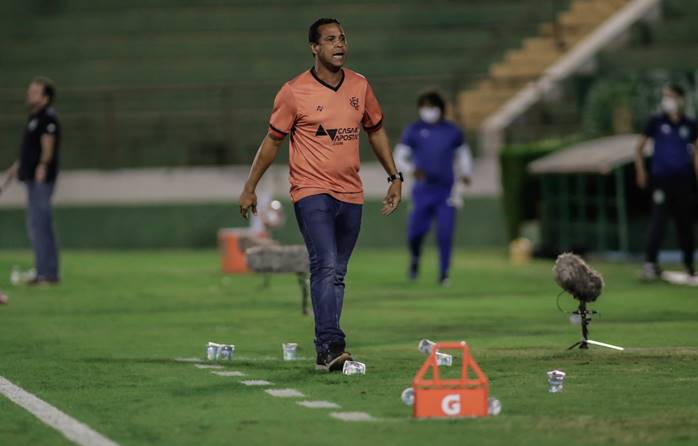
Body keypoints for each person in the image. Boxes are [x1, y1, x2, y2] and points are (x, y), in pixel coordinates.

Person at [238, 18, 403, 371]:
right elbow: (272, 143)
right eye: (330, 39)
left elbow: (375, 131)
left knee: (338, 271)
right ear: (314, 47)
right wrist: (250, 186)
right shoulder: (294, 91)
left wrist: (394, 176)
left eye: (342, 38)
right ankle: (330, 345)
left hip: (351, 194)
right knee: (325, 265)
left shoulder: (360, 85)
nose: (339, 44)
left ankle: (327, 349)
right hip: (311, 191)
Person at [394, 91, 472, 286]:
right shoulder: (413, 130)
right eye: (425, 106)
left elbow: (463, 154)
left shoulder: (452, 131)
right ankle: (415, 258)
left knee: (445, 233)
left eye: (432, 106)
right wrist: (412, 170)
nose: (428, 111)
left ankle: (444, 273)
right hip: (422, 191)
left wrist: (465, 173)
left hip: (446, 190)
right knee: (415, 233)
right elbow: (399, 156)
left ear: (440, 108)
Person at [635, 84, 698, 280]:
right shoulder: (656, 121)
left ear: (681, 99)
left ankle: (689, 265)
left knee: (685, 223)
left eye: (670, 96)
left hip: (684, 181)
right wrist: (641, 172)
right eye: (664, 96)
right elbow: (639, 148)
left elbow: (696, 152)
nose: (667, 100)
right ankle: (650, 264)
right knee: (658, 221)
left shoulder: (690, 124)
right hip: (661, 180)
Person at [2, 77, 61, 285]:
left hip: (40, 179)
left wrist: (42, 166)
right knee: (37, 225)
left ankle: (47, 273)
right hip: (30, 176)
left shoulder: (47, 118)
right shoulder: (34, 118)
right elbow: (30, 150)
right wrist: (16, 166)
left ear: (45, 98)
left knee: (41, 225)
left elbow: (47, 145)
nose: (29, 95)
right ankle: (44, 272)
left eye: (35, 92)